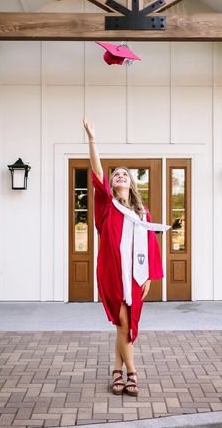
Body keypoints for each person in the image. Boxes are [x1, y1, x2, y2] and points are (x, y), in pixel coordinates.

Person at [83, 117, 170, 397]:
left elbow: (152, 247)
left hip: (135, 276)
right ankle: (133, 373)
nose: (120, 176)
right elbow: (97, 172)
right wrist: (93, 139)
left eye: (125, 175)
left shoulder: (143, 215)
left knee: (125, 325)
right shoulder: (107, 205)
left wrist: (150, 277)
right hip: (112, 274)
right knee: (123, 322)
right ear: (112, 184)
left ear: (131, 184)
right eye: (116, 175)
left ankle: (116, 372)